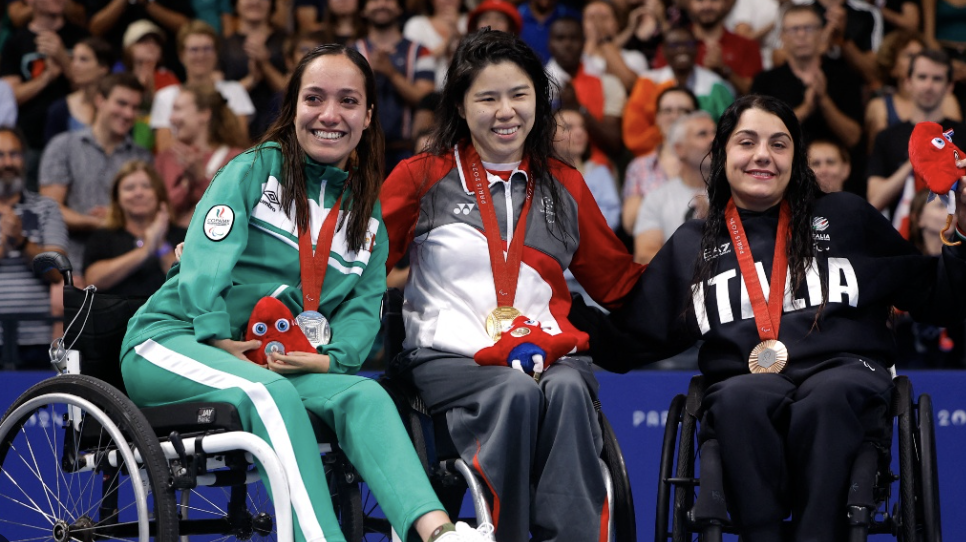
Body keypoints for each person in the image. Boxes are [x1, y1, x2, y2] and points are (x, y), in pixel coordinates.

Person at [120, 44, 491, 542]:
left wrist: (333, 360)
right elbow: (207, 257)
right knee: (268, 392)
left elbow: (363, 308)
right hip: (175, 341)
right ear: (293, 106)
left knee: (364, 395)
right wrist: (212, 333)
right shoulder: (254, 169)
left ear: (368, 115)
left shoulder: (365, 216)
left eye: (348, 102)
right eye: (314, 99)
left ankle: (438, 533)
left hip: (268, 362)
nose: (330, 115)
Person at [579, 94, 966, 542]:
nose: (763, 155)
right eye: (747, 142)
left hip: (845, 373)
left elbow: (941, 298)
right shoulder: (692, 245)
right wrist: (551, 306)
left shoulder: (846, 216)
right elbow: (629, 338)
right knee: (741, 400)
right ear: (723, 153)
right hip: (742, 383)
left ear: (795, 160)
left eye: (779, 144)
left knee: (832, 394)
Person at [381, 30, 645, 542]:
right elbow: (364, 262)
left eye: (519, 95)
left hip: (544, 355)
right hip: (448, 359)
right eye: (488, 98)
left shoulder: (563, 185)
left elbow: (617, 282)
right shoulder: (422, 176)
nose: (506, 111)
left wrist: (694, 263)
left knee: (568, 388)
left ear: (538, 101)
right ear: (460, 105)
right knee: (515, 393)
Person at [38, 73, 153, 278]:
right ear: (100, 100)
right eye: (121, 103)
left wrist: (115, 216)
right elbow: (50, 209)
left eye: (135, 107)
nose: (128, 113)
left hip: (127, 267)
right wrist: (97, 222)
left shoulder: (142, 157)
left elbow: (151, 215)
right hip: (73, 265)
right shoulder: (63, 146)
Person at [867, 49, 966, 235]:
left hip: (956, 240)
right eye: (922, 77)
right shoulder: (887, 137)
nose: (929, 86)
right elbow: (874, 202)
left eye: (937, 79)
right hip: (900, 241)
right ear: (908, 82)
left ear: (950, 86)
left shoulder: (963, 135)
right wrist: (916, 159)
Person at [0, 0, 87, 188]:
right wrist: (46, 78)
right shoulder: (15, 41)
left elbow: (93, 90)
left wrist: (63, 58)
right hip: (30, 140)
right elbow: (10, 97)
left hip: (75, 136)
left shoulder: (81, 37)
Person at [0, 126, 67, 369]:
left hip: (36, 338)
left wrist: (21, 240)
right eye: (0, 155)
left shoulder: (46, 208)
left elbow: (58, 272)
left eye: (14, 154)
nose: (8, 162)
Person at [622, 25, 733, 157]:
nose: (682, 49)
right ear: (663, 50)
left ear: (697, 48)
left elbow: (729, 132)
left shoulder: (715, 85)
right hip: (658, 158)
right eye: (674, 45)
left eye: (688, 44)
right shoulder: (648, 82)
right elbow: (635, 136)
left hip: (705, 159)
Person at [353, 0, 435, 173]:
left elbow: (425, 100)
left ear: (399, 9)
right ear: (363, 10)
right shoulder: (351, 51)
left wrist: (390, 73)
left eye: (389, 0)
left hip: (406, 150)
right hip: (360, 150)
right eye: (373, 1)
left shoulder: (421, 51)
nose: (381, 4)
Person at [150, 20, 256, 152]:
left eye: (207, 49)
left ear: (216, 53)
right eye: (194, 50)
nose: (201, 55)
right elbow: (164, 149)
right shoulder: (165, 96)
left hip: (225, 167)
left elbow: (239, 143)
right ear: (181, 55)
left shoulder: (234, 90)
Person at [83, 161, 185, 297]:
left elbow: (188, 282)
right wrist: (145, 250)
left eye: (146, 186)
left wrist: (160, 244)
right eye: (129, 188)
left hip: (168, 315)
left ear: (159, 194)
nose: (138, 193)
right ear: (117, 198)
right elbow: (93, 281)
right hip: (116, 315)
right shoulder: (103, 236)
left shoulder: (182, 235)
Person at [156, 84, 246, 228]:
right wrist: (186, 186)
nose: (171, 118)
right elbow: (157, 210)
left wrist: (200, 179)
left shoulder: (236, 159)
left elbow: (234, 211)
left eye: (178, 109)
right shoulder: (166, 159)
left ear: (204, 114)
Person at [632, 110, 714, 264]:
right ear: (679, 149)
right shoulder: (657, 199)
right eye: (702, 134)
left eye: (715, 132)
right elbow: (645, 256)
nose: (713, 139)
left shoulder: (737, 191)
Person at [865, 30, 962, 154]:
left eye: (921, 54)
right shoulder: (879, 107)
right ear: (892, 66)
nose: (918, 60)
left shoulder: (947, 100)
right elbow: (879, 156)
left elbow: (956, 148)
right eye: (910, 56)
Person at [546, 16, 626, 166]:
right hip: (548, 170)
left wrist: (579, 108)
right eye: (560, 38)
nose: (567, 44)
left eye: (574, 38)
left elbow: (615, 145)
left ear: (584, 43)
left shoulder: (606, 82)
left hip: (598, 168)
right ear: (549, 44)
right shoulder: (535, 86)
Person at [622, 85, 698, 235]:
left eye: (683, 111)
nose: (675, 116)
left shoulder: (709, 164)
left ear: (697, 118)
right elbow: (630, 223)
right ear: (657, 118)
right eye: (667, 111)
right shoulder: (639, 167)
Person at [649, 0, 763, 95]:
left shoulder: (747, 45)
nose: (707, 6)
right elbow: (656, 86)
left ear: (725, 3)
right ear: (688, 3)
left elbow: (755, 93)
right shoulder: (673, 44)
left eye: (714, 0)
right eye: (700, 0)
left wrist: (724, 70)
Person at [44, 36, 112, 143]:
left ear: (103, 68)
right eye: (73, 59)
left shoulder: (116, 107)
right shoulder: (59, 110)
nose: (75, 65)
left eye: (83, 59)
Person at [403, 0, 467, 88]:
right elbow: (412, 63)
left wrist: (458, 34)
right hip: (429, 93)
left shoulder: (473, 20)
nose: (448, 1)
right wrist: (448, 40)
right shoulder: (416, 24)